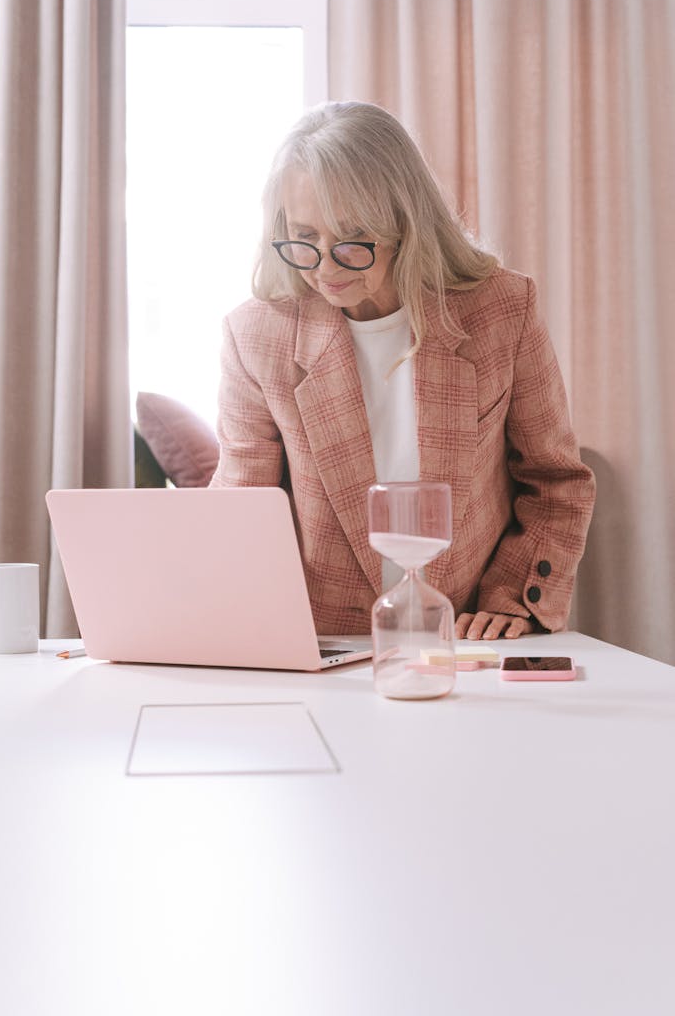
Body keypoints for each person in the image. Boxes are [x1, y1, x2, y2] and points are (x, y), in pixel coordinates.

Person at [210, 101, 595, 642]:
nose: (324, 266)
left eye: (350, 240)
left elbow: (556, 481)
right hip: (324, 642)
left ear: (404, 224)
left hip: (468, 637)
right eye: (304, 237)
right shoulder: (257, 336)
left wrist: (515, 597)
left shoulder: (502, 310)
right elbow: (240, 511)